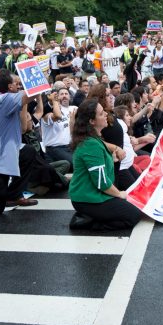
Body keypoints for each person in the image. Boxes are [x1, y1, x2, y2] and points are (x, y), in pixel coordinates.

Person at [68, 99, 142, 231]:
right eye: (102, 114)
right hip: (88, 199)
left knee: (132, 206)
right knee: (133, 216)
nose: (106, 115)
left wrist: (112, 160)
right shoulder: (90, 144)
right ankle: (84, 222)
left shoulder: (93, 139)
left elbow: (99, 168)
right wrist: (119, 194)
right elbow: (101, 182)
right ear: (92, 121)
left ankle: (92, 216)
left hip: (94, 194)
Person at [0, 69, 38, 214]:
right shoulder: (2, 100)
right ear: (9, 87)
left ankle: (13, 195)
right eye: (16, 83)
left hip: (3, 155)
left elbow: (23, 129)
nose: (19, 86)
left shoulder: (2, 99)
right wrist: (33, 74)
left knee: (28, 152)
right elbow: (34, 91)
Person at [41, 86, 76, 167]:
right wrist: (54, 101)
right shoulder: (47, 115)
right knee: (76, 164)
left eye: (66, 93)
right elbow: (58, 116)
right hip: (55, 148)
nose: (64, 95)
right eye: (61, 94)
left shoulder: (73, 109)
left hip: (71, 146)